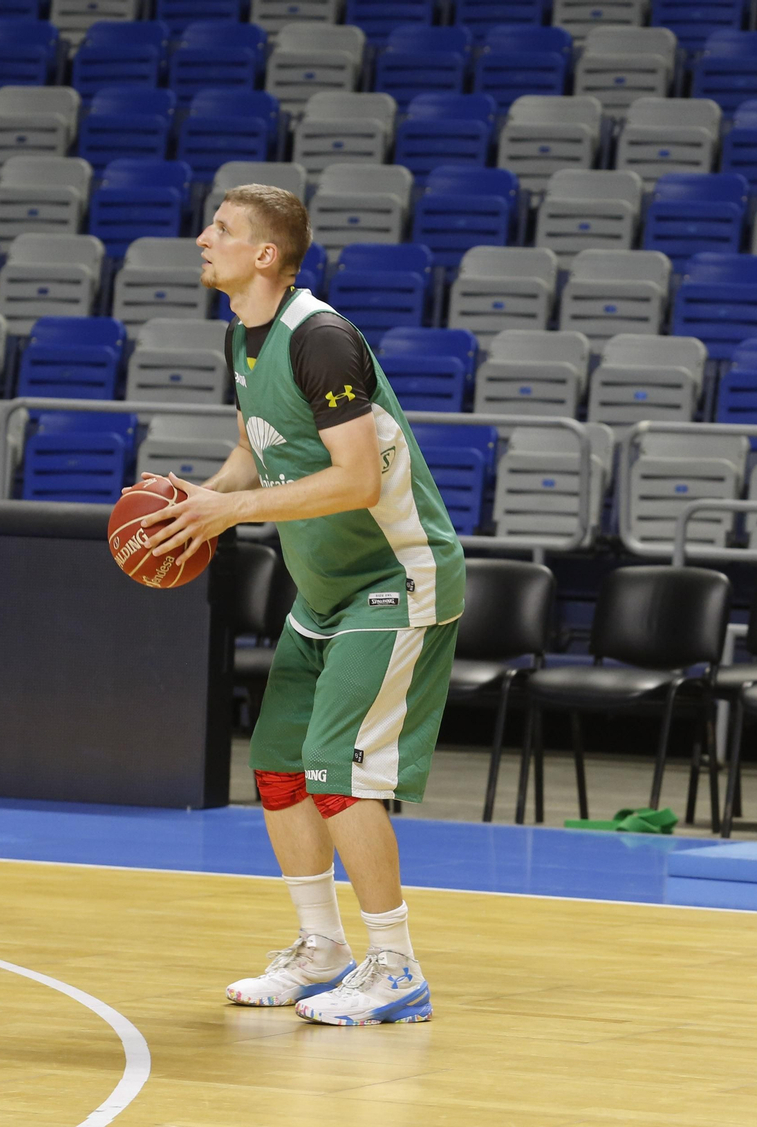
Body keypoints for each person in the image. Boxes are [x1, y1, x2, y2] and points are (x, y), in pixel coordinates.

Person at [133, 185, 465, 1026]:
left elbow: (354, 479)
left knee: (338, 768)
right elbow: (256, 448)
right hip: (323, 591)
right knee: (279, 764)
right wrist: (198, 500)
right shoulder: (241, 339)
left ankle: (396, 964)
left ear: (266, 256)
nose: (204, 238)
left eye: (223, 229)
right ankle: (323, 947)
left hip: (396, 578)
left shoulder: (320, 339)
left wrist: (229, 512)